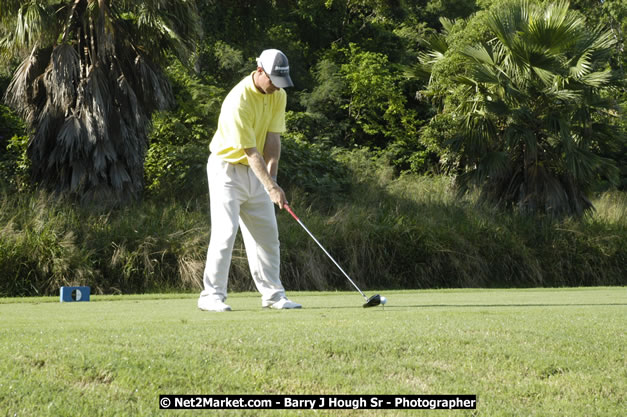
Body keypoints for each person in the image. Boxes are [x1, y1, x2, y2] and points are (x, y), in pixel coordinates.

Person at [198, 49, 302, 312]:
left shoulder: (278, 94)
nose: (276, 88)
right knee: (225, 233)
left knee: (267, 235)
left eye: (281, 84)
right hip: (227, 170)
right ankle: (211, 296)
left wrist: (274, 180)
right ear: (259, 71)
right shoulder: (239, 99)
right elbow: (250, 151)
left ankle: (273, 295)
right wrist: (270, 186)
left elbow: (272, 139)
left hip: (258, 173)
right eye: (273, 82)